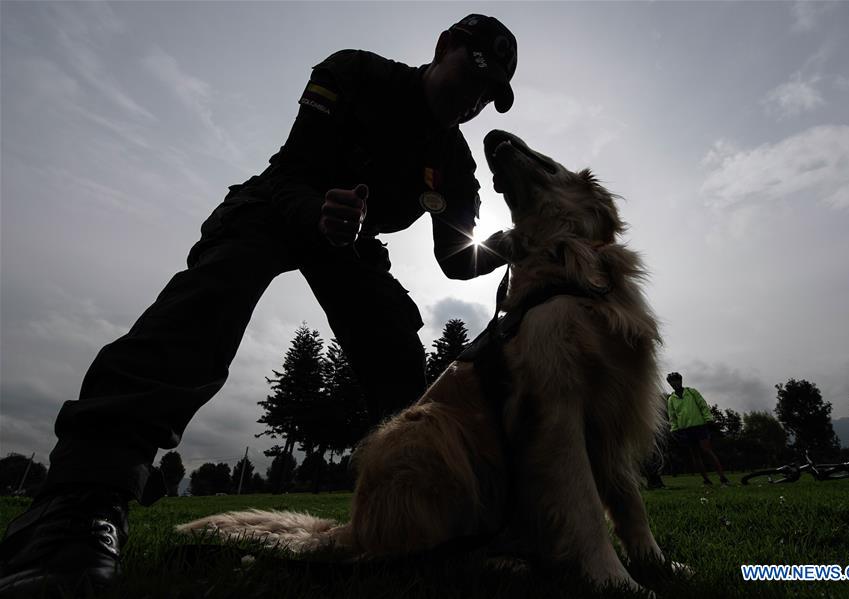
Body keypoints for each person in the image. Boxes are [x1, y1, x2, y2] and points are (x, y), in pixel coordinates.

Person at [0, 14, 518, 595]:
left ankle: (425, 513)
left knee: (397, 352)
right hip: (278, 204)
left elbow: (456, 259)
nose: (473, 99)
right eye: (470, 75)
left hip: (352, 241)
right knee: (208, 299)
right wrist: (321, 211)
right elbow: (294, 170)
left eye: (487, 94)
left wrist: (518, 241)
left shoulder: (456, 163)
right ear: (442, 46)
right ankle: (78, 503)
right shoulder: (352, 72)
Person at [665, 372, 730, 486]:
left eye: (676, 381)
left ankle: (722, 477)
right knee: (695, 455)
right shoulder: (671, 399)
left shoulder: (691, 392)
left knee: (707, 450)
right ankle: (706, 480)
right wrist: (674, 429)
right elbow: (673, 416)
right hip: (685, 429)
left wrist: (708, 418)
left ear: (681, 381)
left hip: (699, 426)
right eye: (672, 382)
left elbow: (702, 405)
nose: (674, 384)